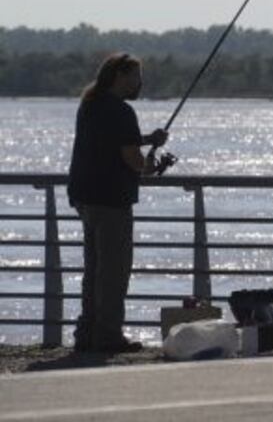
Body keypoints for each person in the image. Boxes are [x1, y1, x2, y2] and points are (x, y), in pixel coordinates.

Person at [67, 53, 168, 353]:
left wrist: (149, 139)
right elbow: (132, 158)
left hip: (85, 196)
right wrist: (151, 167)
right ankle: (108, 336)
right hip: (111, 200)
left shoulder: (90, 105)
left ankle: (86, 332)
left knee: (94, 270)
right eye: (137, 76)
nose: (140, 83)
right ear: (121, 76)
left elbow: (116, 140)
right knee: (113, 272)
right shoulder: (122, 111)